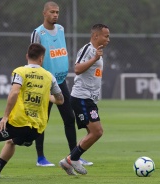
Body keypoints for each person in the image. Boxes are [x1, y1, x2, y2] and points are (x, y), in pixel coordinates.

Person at [0, 43, 64, 181]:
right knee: (11, 141)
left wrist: (5, 116)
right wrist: (47, 96)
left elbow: (14, 92)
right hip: (36, 130)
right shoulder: (49, 76)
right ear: (42, 59)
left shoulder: (20, 72)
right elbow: (60, 100)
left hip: (18, 123)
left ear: (27, 56)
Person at [30, 1, 93, 167]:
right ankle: (40, 158)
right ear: (44, 13)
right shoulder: (38, 33)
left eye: (57, 12)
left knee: (69, 118)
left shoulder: (61, 29)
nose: (55, 15)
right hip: (44, 84)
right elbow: (33, 58)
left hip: (60, 81)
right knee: (42, 121)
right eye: (52, 12)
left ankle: (74, 156)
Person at [59, 23, 110, 175]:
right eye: (106, 36)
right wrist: (94, 58)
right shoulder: (89, 50)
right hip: (81, 97)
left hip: (89, 99)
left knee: (93, 133)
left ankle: (67, 161)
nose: (109, 39)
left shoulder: (97, 52)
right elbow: (77, 69)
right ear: (96, 36)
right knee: (97, 132)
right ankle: (73, 159)